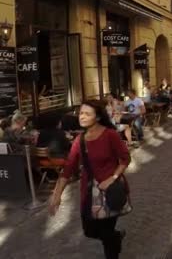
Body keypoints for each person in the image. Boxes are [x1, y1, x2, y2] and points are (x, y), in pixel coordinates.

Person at [49, 100, 131, 259]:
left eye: (87, 114)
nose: (82, 117)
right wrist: (57, 195)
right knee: (90, 231)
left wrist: (113, 178)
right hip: (88, 193)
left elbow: (125, 159)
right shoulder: (79, 140)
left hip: (109, 190)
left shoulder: (110, 135)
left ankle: (112, 248)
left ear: (98, 117)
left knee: (106, 232)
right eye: (81, 113)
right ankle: (116, 237)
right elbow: (67, 169)